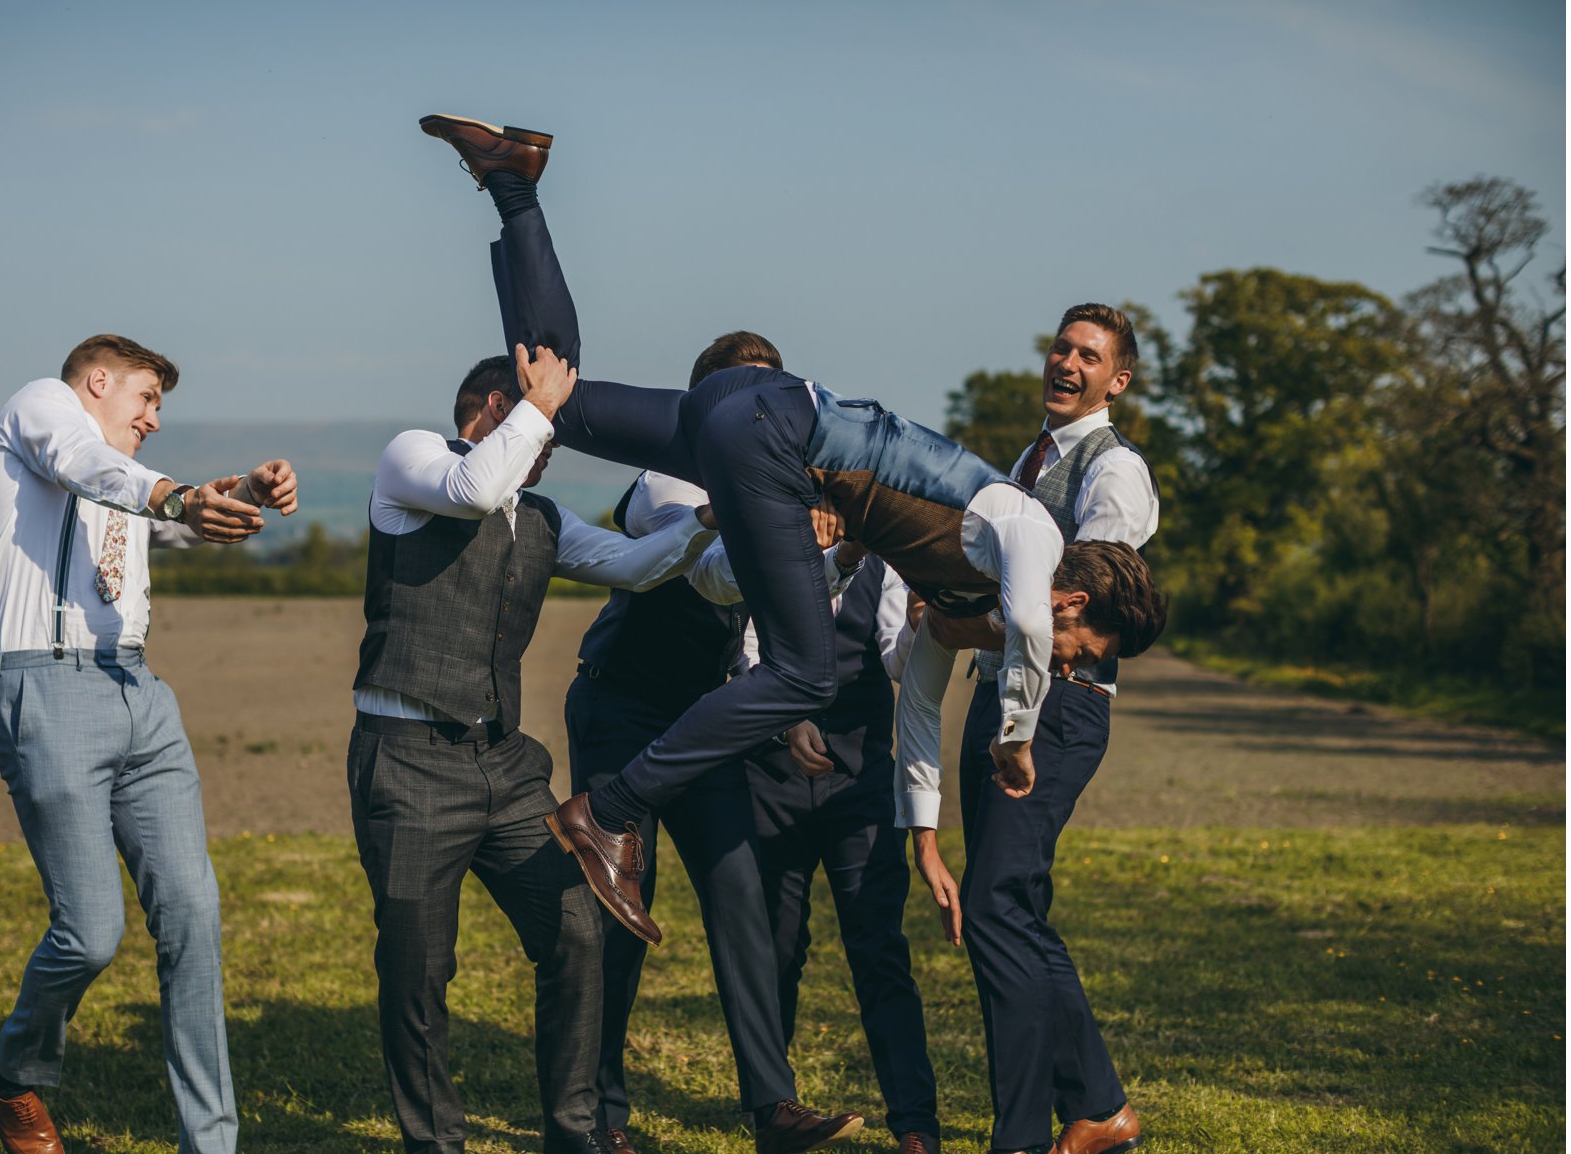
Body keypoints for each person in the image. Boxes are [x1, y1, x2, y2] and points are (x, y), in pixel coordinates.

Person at [416, 114, 1168, 949]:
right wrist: (1018, 741)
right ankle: (610, 812)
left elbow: (916, 704)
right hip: (779, 432)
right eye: (1080, 650)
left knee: (560, 399)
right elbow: (1028, 626)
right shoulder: (1026, 526)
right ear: (1074, 598)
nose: (1066, 664)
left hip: (746, 412)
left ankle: (515, 187)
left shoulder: (966, 591)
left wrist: (923, 826)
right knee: (805, 674)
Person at [347, 352, 721, 1154]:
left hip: (505, 766)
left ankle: (572, 1138)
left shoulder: (541, 516)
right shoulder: (414, 459)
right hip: (405, 761)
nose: (552, 442)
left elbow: (633, 567)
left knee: (578, 932)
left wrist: (709, 519)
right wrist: (541, 403)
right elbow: (475, 490)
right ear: (494, 404)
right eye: (542, 423)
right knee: (418, 968)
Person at [0, 334, 298, 1154]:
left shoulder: (119, 475)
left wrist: (239, 496)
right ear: (98, 379)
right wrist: (180, 494)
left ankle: (208, 1151)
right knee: (89, 934)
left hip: (141, 695)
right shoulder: (43, 409)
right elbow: (94, 467)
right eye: (147, 398)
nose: (153, 419)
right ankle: (17, 1073)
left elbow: (168, 523)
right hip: (45, 692)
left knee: (193, 916)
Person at [564, 331, 865, 1154]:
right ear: (703, 409)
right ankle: (600, 1119)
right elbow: (720, 575)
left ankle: (773, 1110)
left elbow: (774, 614)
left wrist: (836, 555)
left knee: (742, 895)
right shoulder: (668, 480)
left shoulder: (768, 485)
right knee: (624, 909)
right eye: (744, 395)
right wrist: (795, 538)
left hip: (706, 717)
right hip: (620, 707)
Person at [923, 306, 1161, 1154]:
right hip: (1001, 704)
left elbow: (1078, 605)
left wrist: (961, 626)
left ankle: (1018, 1145)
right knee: (1012, 909)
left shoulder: (1116, 473)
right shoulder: (1028, 462)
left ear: (1118, 380)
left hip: (1058, 709)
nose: (1068, 363)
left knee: (994, 909)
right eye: (1062, 347)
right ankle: (1099, 1107)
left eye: (1089, 356)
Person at [743, 548, 945, 1154]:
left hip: (860, 785)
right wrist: (786, 723)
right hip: (769, 779)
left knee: (879, 949)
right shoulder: (763, 547)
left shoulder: (883, 568)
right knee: (775, 948)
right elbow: (745, 655)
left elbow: (898, 664)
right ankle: (775, 1113)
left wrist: (918, 627)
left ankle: (916, 1129)